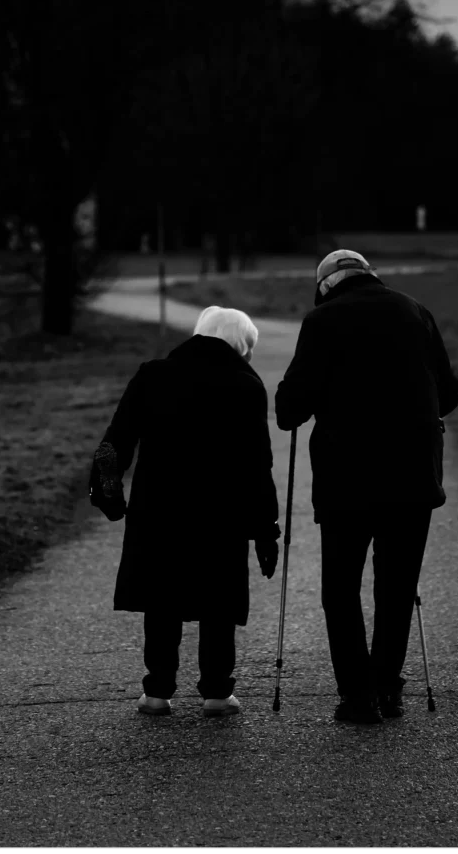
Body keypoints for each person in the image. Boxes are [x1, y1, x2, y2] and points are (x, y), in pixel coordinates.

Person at [275, 249, 458, 724]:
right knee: (397, 587)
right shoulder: (416, 311)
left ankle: (358, 697)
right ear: (368, 276)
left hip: (346, 478)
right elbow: (450, 391)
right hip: (413, 475)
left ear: (325, 285)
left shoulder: (321, 321)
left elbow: (290, 409)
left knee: (340, 588)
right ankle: (388, 688)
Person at [90, 306, 281, 718]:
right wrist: (266, 529)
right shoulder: (246, 385)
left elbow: (116, 439)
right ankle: (216, 691)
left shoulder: (153, 374)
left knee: (162, 596)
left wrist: (106, 490)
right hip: (222, 512)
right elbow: (256, 463)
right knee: (219, 599)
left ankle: (157, 691)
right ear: (241, 344)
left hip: (159, 506)